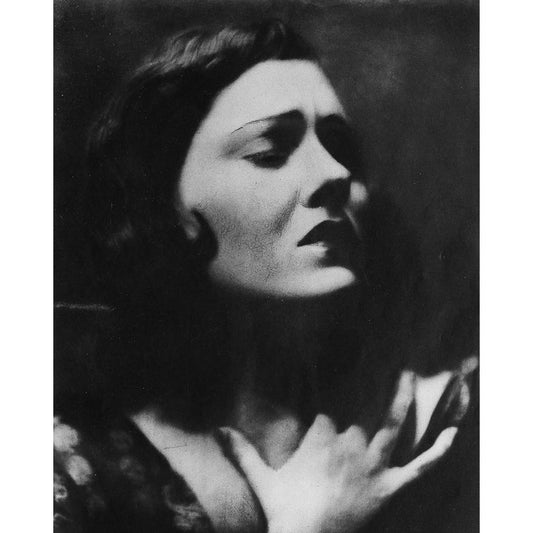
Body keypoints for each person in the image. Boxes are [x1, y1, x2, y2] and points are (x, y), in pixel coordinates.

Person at [54, 20, 477, 533]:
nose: (337, 175)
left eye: (341, 149)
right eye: (270, 153)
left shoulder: (452, 422)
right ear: (164, 206)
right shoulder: (64, 466)